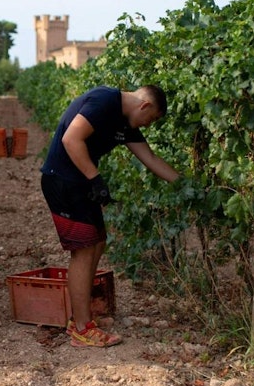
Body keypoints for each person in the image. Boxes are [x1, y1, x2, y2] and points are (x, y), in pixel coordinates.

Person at [41, 84, 179, 347]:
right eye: (150, 120)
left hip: (81, 183)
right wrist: (96, 179)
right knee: (84, 250)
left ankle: (80, 318)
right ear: (144, 105)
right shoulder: (105, 101)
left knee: (98, 243)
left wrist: (187, 186)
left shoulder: (126, 123)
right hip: (63, 181)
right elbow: (71, 139)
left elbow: (150, 158)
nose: (148, 126)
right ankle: (82, 329)